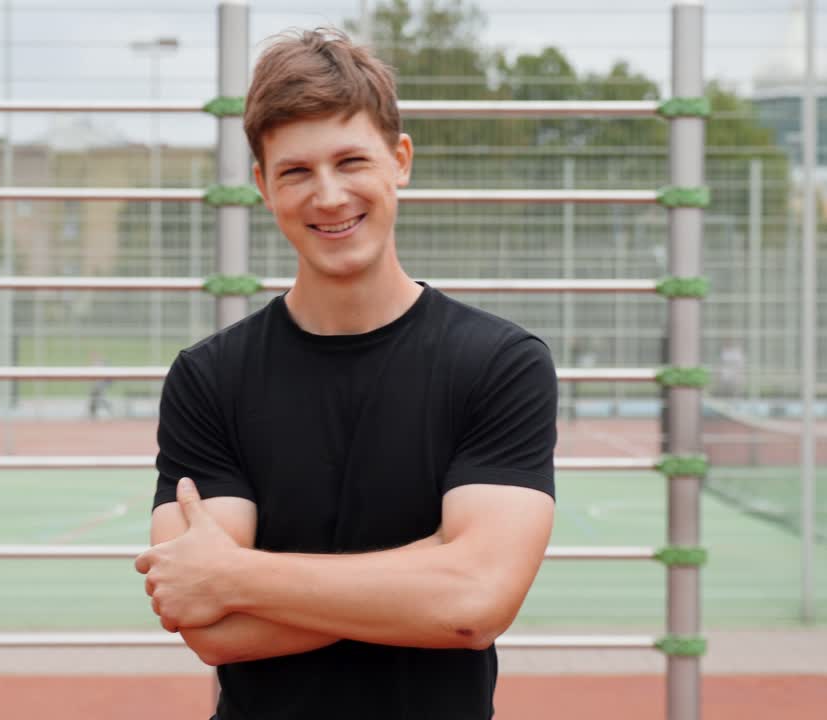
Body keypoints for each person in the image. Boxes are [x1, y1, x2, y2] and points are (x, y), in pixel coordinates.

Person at [135, 28, 557, 720]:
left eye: (351, 161)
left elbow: (474, 605)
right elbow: (210, 627)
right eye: (297, 171)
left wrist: (239, 575)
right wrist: (430, 574)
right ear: (263, 185)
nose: (329, 196)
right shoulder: (208, 379)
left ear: (400, 160)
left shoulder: (498, 363)